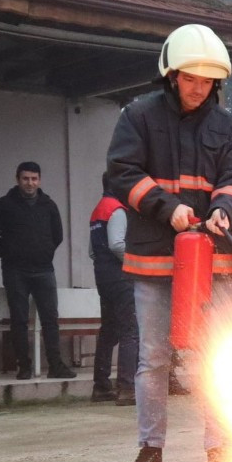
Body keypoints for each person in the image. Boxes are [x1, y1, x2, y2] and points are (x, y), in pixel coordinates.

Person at [106, 23, 232, 462]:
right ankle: (150, 450)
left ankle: (220, 447)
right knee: (153, 358)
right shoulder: (139, 116)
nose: (197, 88)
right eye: (190, 78)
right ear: (172, 75)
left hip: (215, 260)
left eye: (206, 80)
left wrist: (224, 210)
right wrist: (166, 208)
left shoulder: (229, 127)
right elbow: (122, 173)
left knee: (218, 353)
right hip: (154, 257)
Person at [0, 162, 76, 380]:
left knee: (50, 318)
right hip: (15, 270)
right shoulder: (3, 205)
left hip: (44, 269)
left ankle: (55, 365)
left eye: (34, 178)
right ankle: (23, 366)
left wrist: (44, 252)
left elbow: (58, 235)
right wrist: (9, 254)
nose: (30, 183)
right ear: (18, 179)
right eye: (26, 178)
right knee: (19, 319)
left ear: (39, 180)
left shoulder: (49, 205)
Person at [88, 173, 137, 406]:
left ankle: (101, 386)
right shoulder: (117, 209)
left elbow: (91, 251)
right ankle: (127, 388)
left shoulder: (98, 210)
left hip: (103, 278)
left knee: (108, 331)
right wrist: (136, 262)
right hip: (121, 278)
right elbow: (117, 244)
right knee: (130, 330)